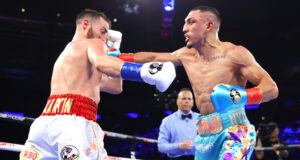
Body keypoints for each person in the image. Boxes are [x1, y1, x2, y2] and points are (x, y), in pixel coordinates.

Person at [115, 5, 279, 160]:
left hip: (235, 129)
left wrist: (240, 96)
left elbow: (271, 89)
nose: (184, 28)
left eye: (190, 22)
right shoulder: (186, 55)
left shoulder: (235, 54)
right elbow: (153, 58)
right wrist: (117, 57)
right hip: (204, 133)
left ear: (209, 25)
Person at [19, 9, 176, 160]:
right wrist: (143, 72)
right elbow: (102, 62)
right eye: (103, 31)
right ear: (85, 24)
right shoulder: (91, 43)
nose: (105, 38)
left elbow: (115, 87)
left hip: (44, 123)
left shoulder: (68, 55)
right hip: (74, 124)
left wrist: (115, 52)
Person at [158, 88, 200, 160]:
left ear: (193, 102)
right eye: (183, 99)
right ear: (177, 102)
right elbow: (161, 146)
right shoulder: (167, 121)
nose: (187, 101)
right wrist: (178, 146)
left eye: (189, 99)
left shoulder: (200, 118)